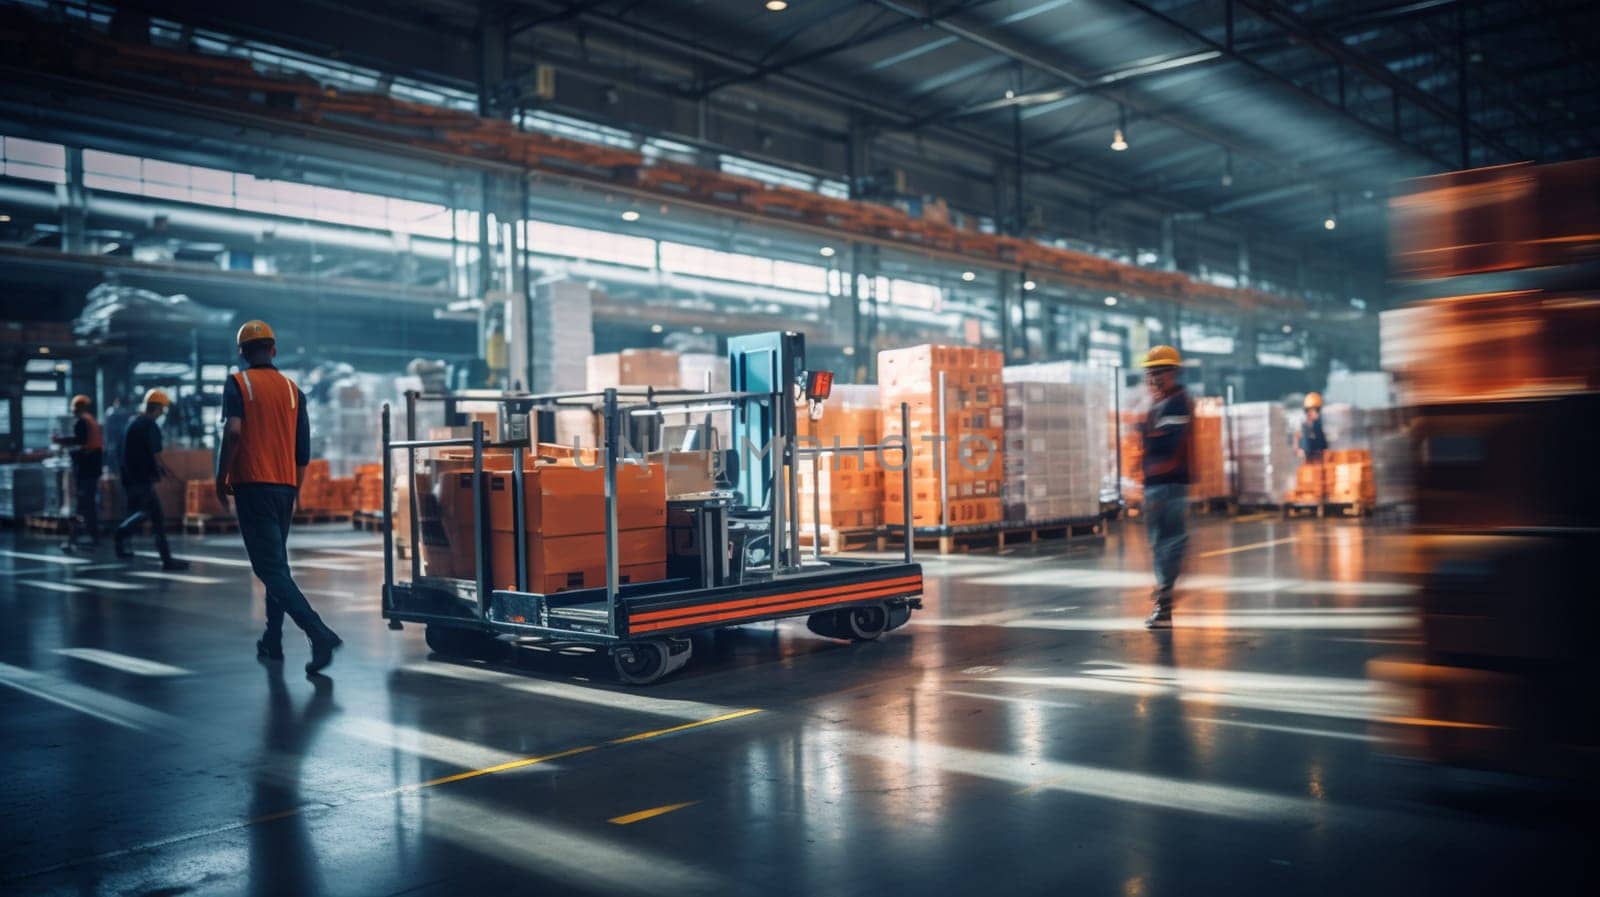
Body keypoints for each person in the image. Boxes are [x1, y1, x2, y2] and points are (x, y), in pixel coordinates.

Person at [214, 320, 341, 674]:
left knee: (268, 568)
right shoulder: (293, 391)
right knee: (277, 567)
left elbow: (234, 432)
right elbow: (303, 453)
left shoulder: (239, 383)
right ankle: (272, 639)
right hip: (284, 488)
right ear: (274, 350)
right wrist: (295, 492)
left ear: (242, 353)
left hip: (252, 485)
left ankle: (318, 632)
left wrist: (221, 476)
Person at [1138, 345, 1194, 630]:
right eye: (1150, 374)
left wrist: (1144, 434)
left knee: (1168, 543)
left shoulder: (1177, 403)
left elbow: (1168, 445)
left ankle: (1165, 601)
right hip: (1157, 485)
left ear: (1172, 373)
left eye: (1158, 373)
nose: (1153, 379)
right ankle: (1165, 596)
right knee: (1161, 544)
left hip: (1169, 484)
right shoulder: (1160, 403)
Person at [113, 390, 191, 571]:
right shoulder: (150, 425)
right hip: (142, 479)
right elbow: (156, 455)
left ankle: (163, 558)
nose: (163, 413)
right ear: (156, 408)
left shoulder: (133, 422)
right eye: (162, 409)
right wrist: (168, 472)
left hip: (130, 478)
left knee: (147, 514)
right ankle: (122, 534)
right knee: (155, 517)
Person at [53, 394, 103, 553]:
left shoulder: (83, 422)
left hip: (86, 470)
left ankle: (80, 538)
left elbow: (79, 442)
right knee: (88, 505)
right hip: (93, 469)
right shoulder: (91, 421)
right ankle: (90, 537)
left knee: (83, 505)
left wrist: (61, 441)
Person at [1298, 392, 1328, 462]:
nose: (1309, 414)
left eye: (1313, 410)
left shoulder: (1322, 425)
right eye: (1307, 411)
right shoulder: (1306, 427)